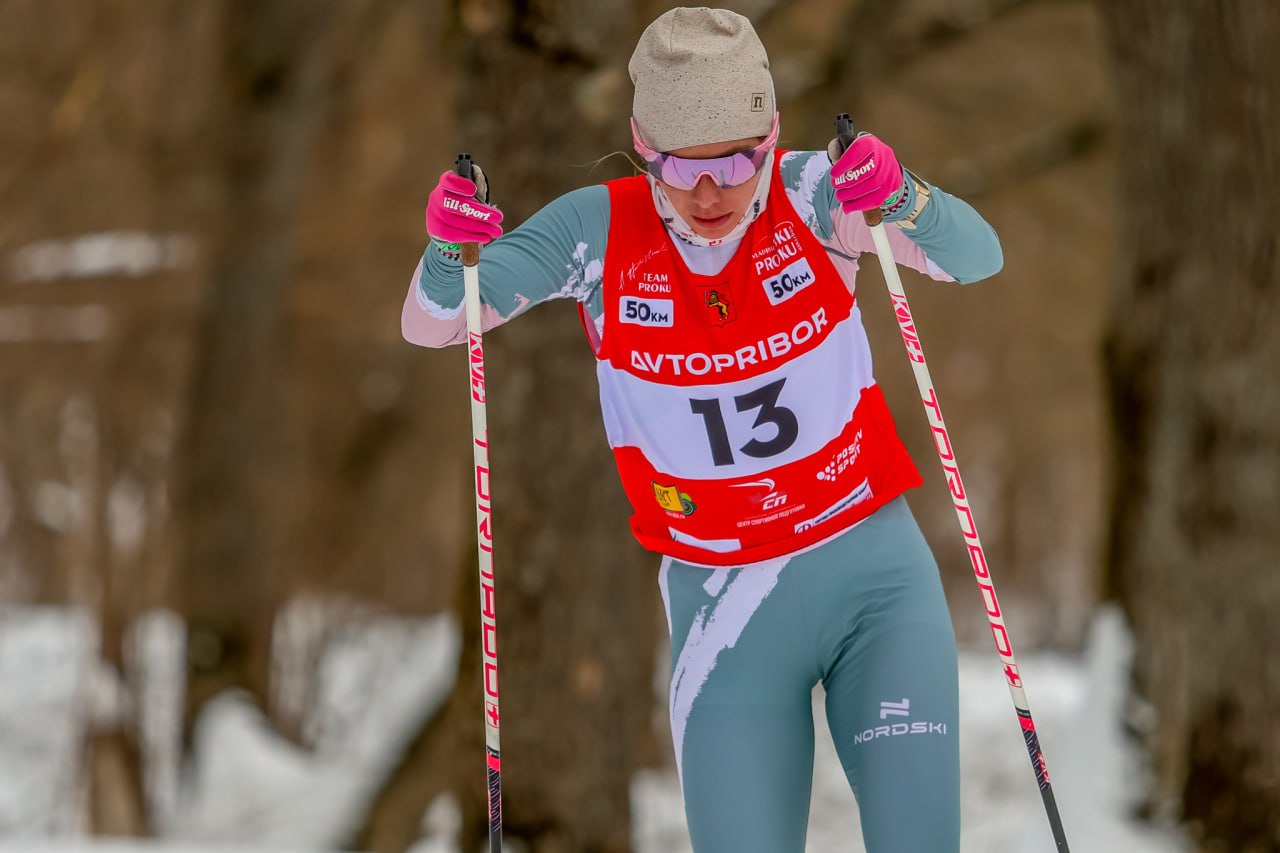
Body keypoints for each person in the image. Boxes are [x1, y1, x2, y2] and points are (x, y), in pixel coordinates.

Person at [403, 7, 1003, 852]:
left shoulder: (815, 193)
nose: (711, 190)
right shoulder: (597, 229)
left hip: (875, 580)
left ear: (772, 135)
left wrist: (905, 198)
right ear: (643, 142)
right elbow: (435, 321)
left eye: (734, 160)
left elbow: (979, 257)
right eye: (683, 165)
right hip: (726, 605)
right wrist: (443, 250)